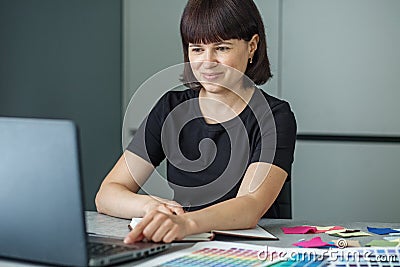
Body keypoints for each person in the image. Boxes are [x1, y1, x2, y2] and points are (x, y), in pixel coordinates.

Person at [95, 0, 296, 244]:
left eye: (221, 48)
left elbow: (249, 206)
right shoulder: (171, 107)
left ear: (252, 46)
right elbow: (107, 194)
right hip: (183, 243)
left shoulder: (274, 117)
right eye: (197, 49)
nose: (207, 62)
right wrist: (151, 207)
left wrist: (186, 223)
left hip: (247, 250)